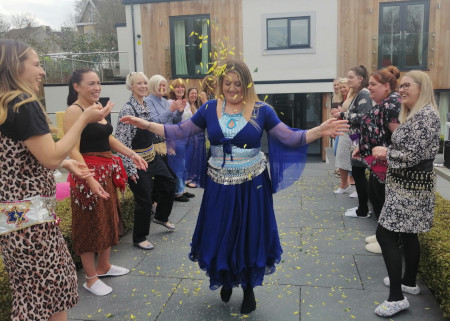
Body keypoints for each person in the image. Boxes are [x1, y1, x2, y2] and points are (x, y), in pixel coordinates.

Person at [120, 59, 349, 315]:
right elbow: (181, 130)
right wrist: (147, 125)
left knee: (249, 234)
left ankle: (249, 287)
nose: (232, 88)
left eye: (238, 83)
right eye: (227, 83)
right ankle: (226, 278)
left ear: (247, 83)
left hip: (253, 187)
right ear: (220, 84)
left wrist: (319, 129)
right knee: (221, 233)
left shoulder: (262, 110)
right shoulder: (208, 108)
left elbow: (289, 136)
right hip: (219, 185)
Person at [0, 39, 111, 321]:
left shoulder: (5, 105)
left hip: (12, 221)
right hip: (34, 223)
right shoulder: (23, 103)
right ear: (15, 66)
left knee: (34, 294)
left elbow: (19, 155)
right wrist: (84, 119)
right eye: (36, 64)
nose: (42, 72)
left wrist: (64, 161)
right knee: (48, 295)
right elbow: (48, 157)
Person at [63, 68, 147, 296]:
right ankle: (90, 279)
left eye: (98, 83)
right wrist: (89, 179)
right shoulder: (74, 111)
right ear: (76, 87)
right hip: (86, 175)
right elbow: (72, 149)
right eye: (90, 83)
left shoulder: (99, 107)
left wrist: (131, 154)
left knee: (108, 220)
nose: (96, 87)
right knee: (89, 225)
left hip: (106, 172)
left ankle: (104, 266)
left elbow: (107, 138)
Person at [371, 71, 440, 317]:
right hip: (409, 186)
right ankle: (408, 281)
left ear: (422, 88)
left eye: (407, 85)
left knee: (385, 234)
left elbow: (412, 156)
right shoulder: (417, 115)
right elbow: (410, 148)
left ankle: (397, 297)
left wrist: (384, 153)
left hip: (410, 189)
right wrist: (388, 149)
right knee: (409, 235)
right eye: (400, 86)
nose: (401, 90)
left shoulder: (426, 116)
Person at [115, 72, 176, 251]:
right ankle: (139, 237)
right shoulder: (128, 110)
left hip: (151, 155)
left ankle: (161, 216)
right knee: (145, 199)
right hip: (136, 160)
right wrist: (130, 169)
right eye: (139, 83)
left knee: (170, 183)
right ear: (131, 86)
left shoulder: (146, 105)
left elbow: (154, 127)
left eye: (144, 83)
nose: (143, 86)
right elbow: (121, 143)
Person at [352, 66, 401, 254]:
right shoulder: (385, 103)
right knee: (376, 196)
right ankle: (382, 234)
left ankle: (387, 240)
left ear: (386, 86)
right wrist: (362, 146)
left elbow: (398, 137)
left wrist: (386, 152)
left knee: (383, 199)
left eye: (373, 84)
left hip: (387, 164)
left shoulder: (391, 104)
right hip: (377, 163)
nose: (369, 88)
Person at [334, 65, 373, 217]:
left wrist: (344, 115)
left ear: (360, 79)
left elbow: (364, 117)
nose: (348, 80)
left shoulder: (364, 94)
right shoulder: (358, 94)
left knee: (358, 173)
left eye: (351, 77)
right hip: (356, 138)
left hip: (360, 140)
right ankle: (362, 208)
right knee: (357, 172)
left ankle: (363, 210)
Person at [167, 78, 195, 201]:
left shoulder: (186, 103)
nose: (180, 89)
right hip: (176, 138)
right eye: (177, 87)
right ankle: (177, 192)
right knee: (178, 165)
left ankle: (182, 189)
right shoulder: (169, 103)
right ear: (173, 89)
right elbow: (169, 122)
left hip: (187, 138)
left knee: (184, 166)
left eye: (182, 87)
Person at [332, 78, 355, 192]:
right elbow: (333, 112)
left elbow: (354, 114)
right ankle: (344, 182)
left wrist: (341, 112)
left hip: (354, 131)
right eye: (339, 87)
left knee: (354, 156)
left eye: (343, 87)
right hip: (343, 128)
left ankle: (351, 181)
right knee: (339, 152)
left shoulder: (355, 97)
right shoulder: (341, 98)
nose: (341, 89)